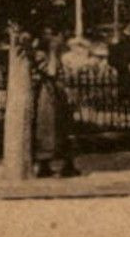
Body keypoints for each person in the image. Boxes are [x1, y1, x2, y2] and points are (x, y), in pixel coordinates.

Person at [32, 33, 80, 178]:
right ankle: (44, 165)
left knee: (66, 129)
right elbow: (51, 72)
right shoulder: (41, 55)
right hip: (47, 95)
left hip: (59, 94)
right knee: (47, 128)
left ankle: (68, 165)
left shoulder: (59, 55)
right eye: (56, 37)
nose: (60, 39)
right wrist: (52, 52)